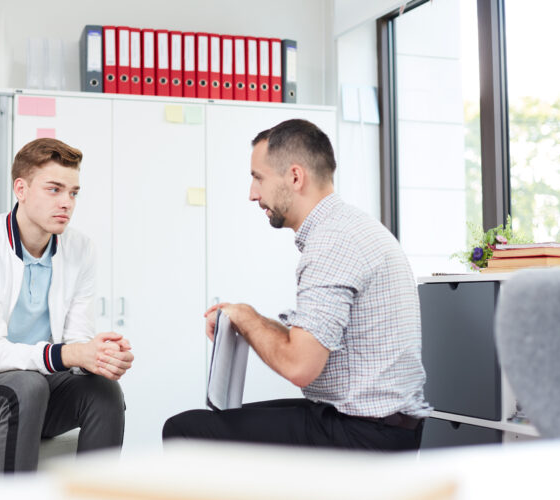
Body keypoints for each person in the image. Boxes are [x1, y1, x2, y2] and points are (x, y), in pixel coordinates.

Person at [163, 119, 431, 451]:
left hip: (365, 435)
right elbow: (307, 340)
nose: (252, 194)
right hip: (378, 424)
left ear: (294, 176)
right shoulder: (348, 227)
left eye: (258, 178)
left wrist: (247, 319)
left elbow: (299, 365)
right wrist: (245, 317)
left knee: (185, 432)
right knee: (217, 421)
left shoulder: (332, 243)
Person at [0, 138, 134, 472]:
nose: (67, 203)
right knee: (26, 385)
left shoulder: (81, 249)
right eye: (54, 189)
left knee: (105, 391)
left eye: (73, 192)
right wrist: (71, 354)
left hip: (36, 393)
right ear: (21, 188)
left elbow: (76, 339)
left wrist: (100, 357)